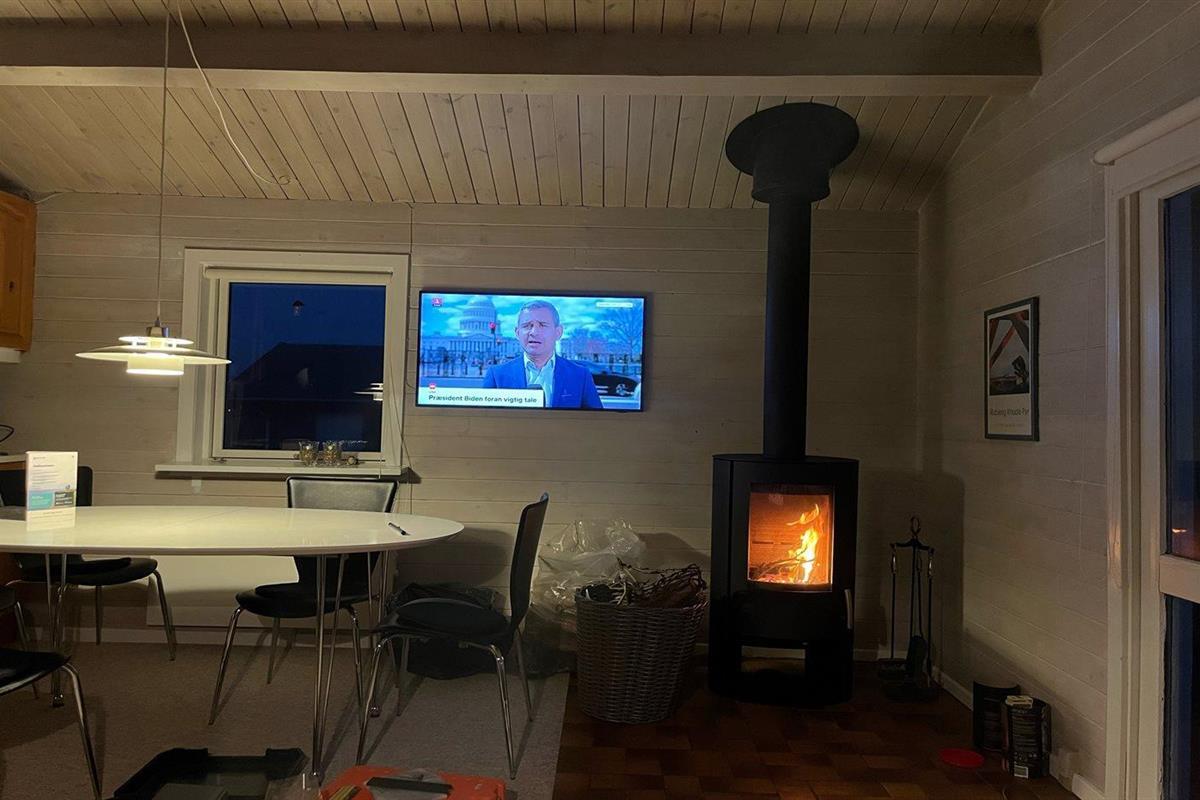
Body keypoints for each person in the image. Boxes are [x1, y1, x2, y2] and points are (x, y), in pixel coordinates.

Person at [482, 300, 603, 409]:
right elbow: (485, 421)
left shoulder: (580, 375)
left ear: (558, 332)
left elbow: (597, 421)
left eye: (543, 325)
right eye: (527, 326)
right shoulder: (497, 375)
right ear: (517, 333)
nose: (534, 332)